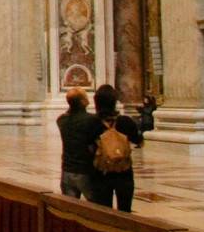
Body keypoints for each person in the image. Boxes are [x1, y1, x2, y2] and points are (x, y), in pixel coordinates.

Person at [88, 84, 143, 212]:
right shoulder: (126, 121)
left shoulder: (91, 123)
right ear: (114, 102)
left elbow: (87, 147)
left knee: (104, 212)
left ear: (97, 102)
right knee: (125, 210)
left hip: (100, 173)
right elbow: (139, 141)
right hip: (124, 172)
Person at [56, 87, 103, 201]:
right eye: (85, 97)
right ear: (83, 101)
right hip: (85, 170)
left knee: (70, 207)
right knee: (96, 206)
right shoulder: (91, 120)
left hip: (67, 169)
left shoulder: (62, 120)